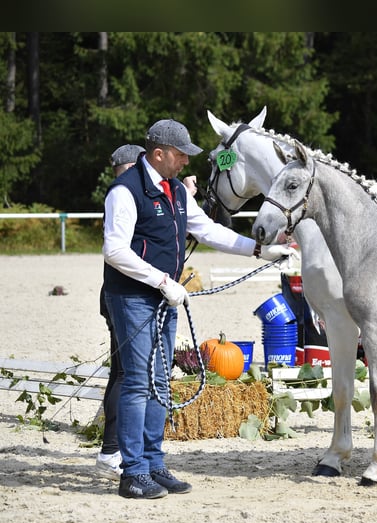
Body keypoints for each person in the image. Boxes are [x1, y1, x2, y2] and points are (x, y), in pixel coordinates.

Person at [102, 119, 293, 499]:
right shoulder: (124, 192)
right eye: (179, 155)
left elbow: (208, 230)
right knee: (139, 382)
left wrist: (259, 250)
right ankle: (132, 472)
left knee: (160, 382)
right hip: (133, 297)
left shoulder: (174, 190)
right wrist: (162, 281)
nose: (185, 163)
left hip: (164, 297)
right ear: (159, 154)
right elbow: (115, 250)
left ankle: (154, 465)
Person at [95, 144, 145, 480]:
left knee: (122, 373)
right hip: (124, 295)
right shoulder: (125, 195)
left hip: (121, 293)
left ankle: (113, 448)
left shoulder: (124, 194)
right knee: (126, 375)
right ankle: (112, 450)